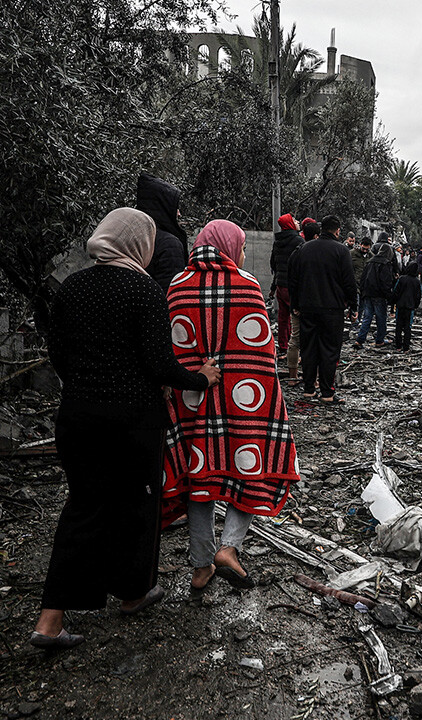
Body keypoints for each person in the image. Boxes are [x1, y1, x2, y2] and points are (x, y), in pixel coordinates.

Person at [31, 208, 221, 650]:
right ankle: (134, 592)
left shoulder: (72, 286)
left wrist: (86, 383)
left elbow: (58, 354)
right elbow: (161, 365)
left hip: (77, 418)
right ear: (139, 244)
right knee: (138, 508)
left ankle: (50, 618)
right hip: (133, 422)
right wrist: (202, 378)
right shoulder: (143, 290)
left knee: (83, 508)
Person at [163, 220, 299, 592]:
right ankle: (230, 548)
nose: (241, 254)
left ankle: (200, 565)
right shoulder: (246, 285)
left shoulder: (176, 285)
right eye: (239, 248)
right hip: (244, 402)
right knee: (248, 468)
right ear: (228, 247)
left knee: (200, 478)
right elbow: (263, 354)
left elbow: (173, 348)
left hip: (193, 401)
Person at [288, 216, 357, 401]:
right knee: (330, 350)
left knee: (308, 348)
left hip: (307, 308)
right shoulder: (342, 251)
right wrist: (353, 306)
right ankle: (327, 393)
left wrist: (295, 304)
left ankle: (309, 389)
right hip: (332, 309)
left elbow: (293, 280)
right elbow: (349, 282)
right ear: (337, 231)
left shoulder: (303, 249)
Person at [137, 173, 189, 291]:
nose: (179, 213)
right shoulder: (169, 244)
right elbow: (172, 291)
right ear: (163, 206)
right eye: (175, 207)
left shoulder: (132, 237)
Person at [285, 220, 321, 382]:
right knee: (316, 341)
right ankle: (315, 379)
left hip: (299, 306)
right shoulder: (321, 255)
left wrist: (295, 305)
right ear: (316, 236)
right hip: (316, 306)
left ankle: (293, 377)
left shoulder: (296, 253)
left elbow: (291, 283)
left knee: (295, 340)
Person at [270, 213, 303, 355]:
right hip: (293, 287)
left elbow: (274, 265)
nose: (297, 222)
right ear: (290, 224)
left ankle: (283, 346)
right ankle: (296, 348)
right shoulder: (298, 241)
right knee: (298, 318)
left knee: (283, 318)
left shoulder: (277, 242)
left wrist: (273, 286)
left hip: (280, 285)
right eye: (294, 220)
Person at [355, 242, 396, 350]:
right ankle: (379, 340)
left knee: (366, 318)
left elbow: (363, 279)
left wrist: (363, 292)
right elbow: (385, 282)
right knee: (381, 318)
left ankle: (360, 340)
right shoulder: (385, 264)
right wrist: (390, 297)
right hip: (379, 296)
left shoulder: (370, 262)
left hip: (368, 294)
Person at [392, 262, 421, 352]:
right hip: (410, 307)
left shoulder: (401, 279)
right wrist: (415, 306)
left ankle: (398, 346)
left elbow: (395, 292)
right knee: (408, 327)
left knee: (399, 326)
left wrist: (394, 304)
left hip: (400, 306)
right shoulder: (417, 282)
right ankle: (406, 347)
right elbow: (418, 295)